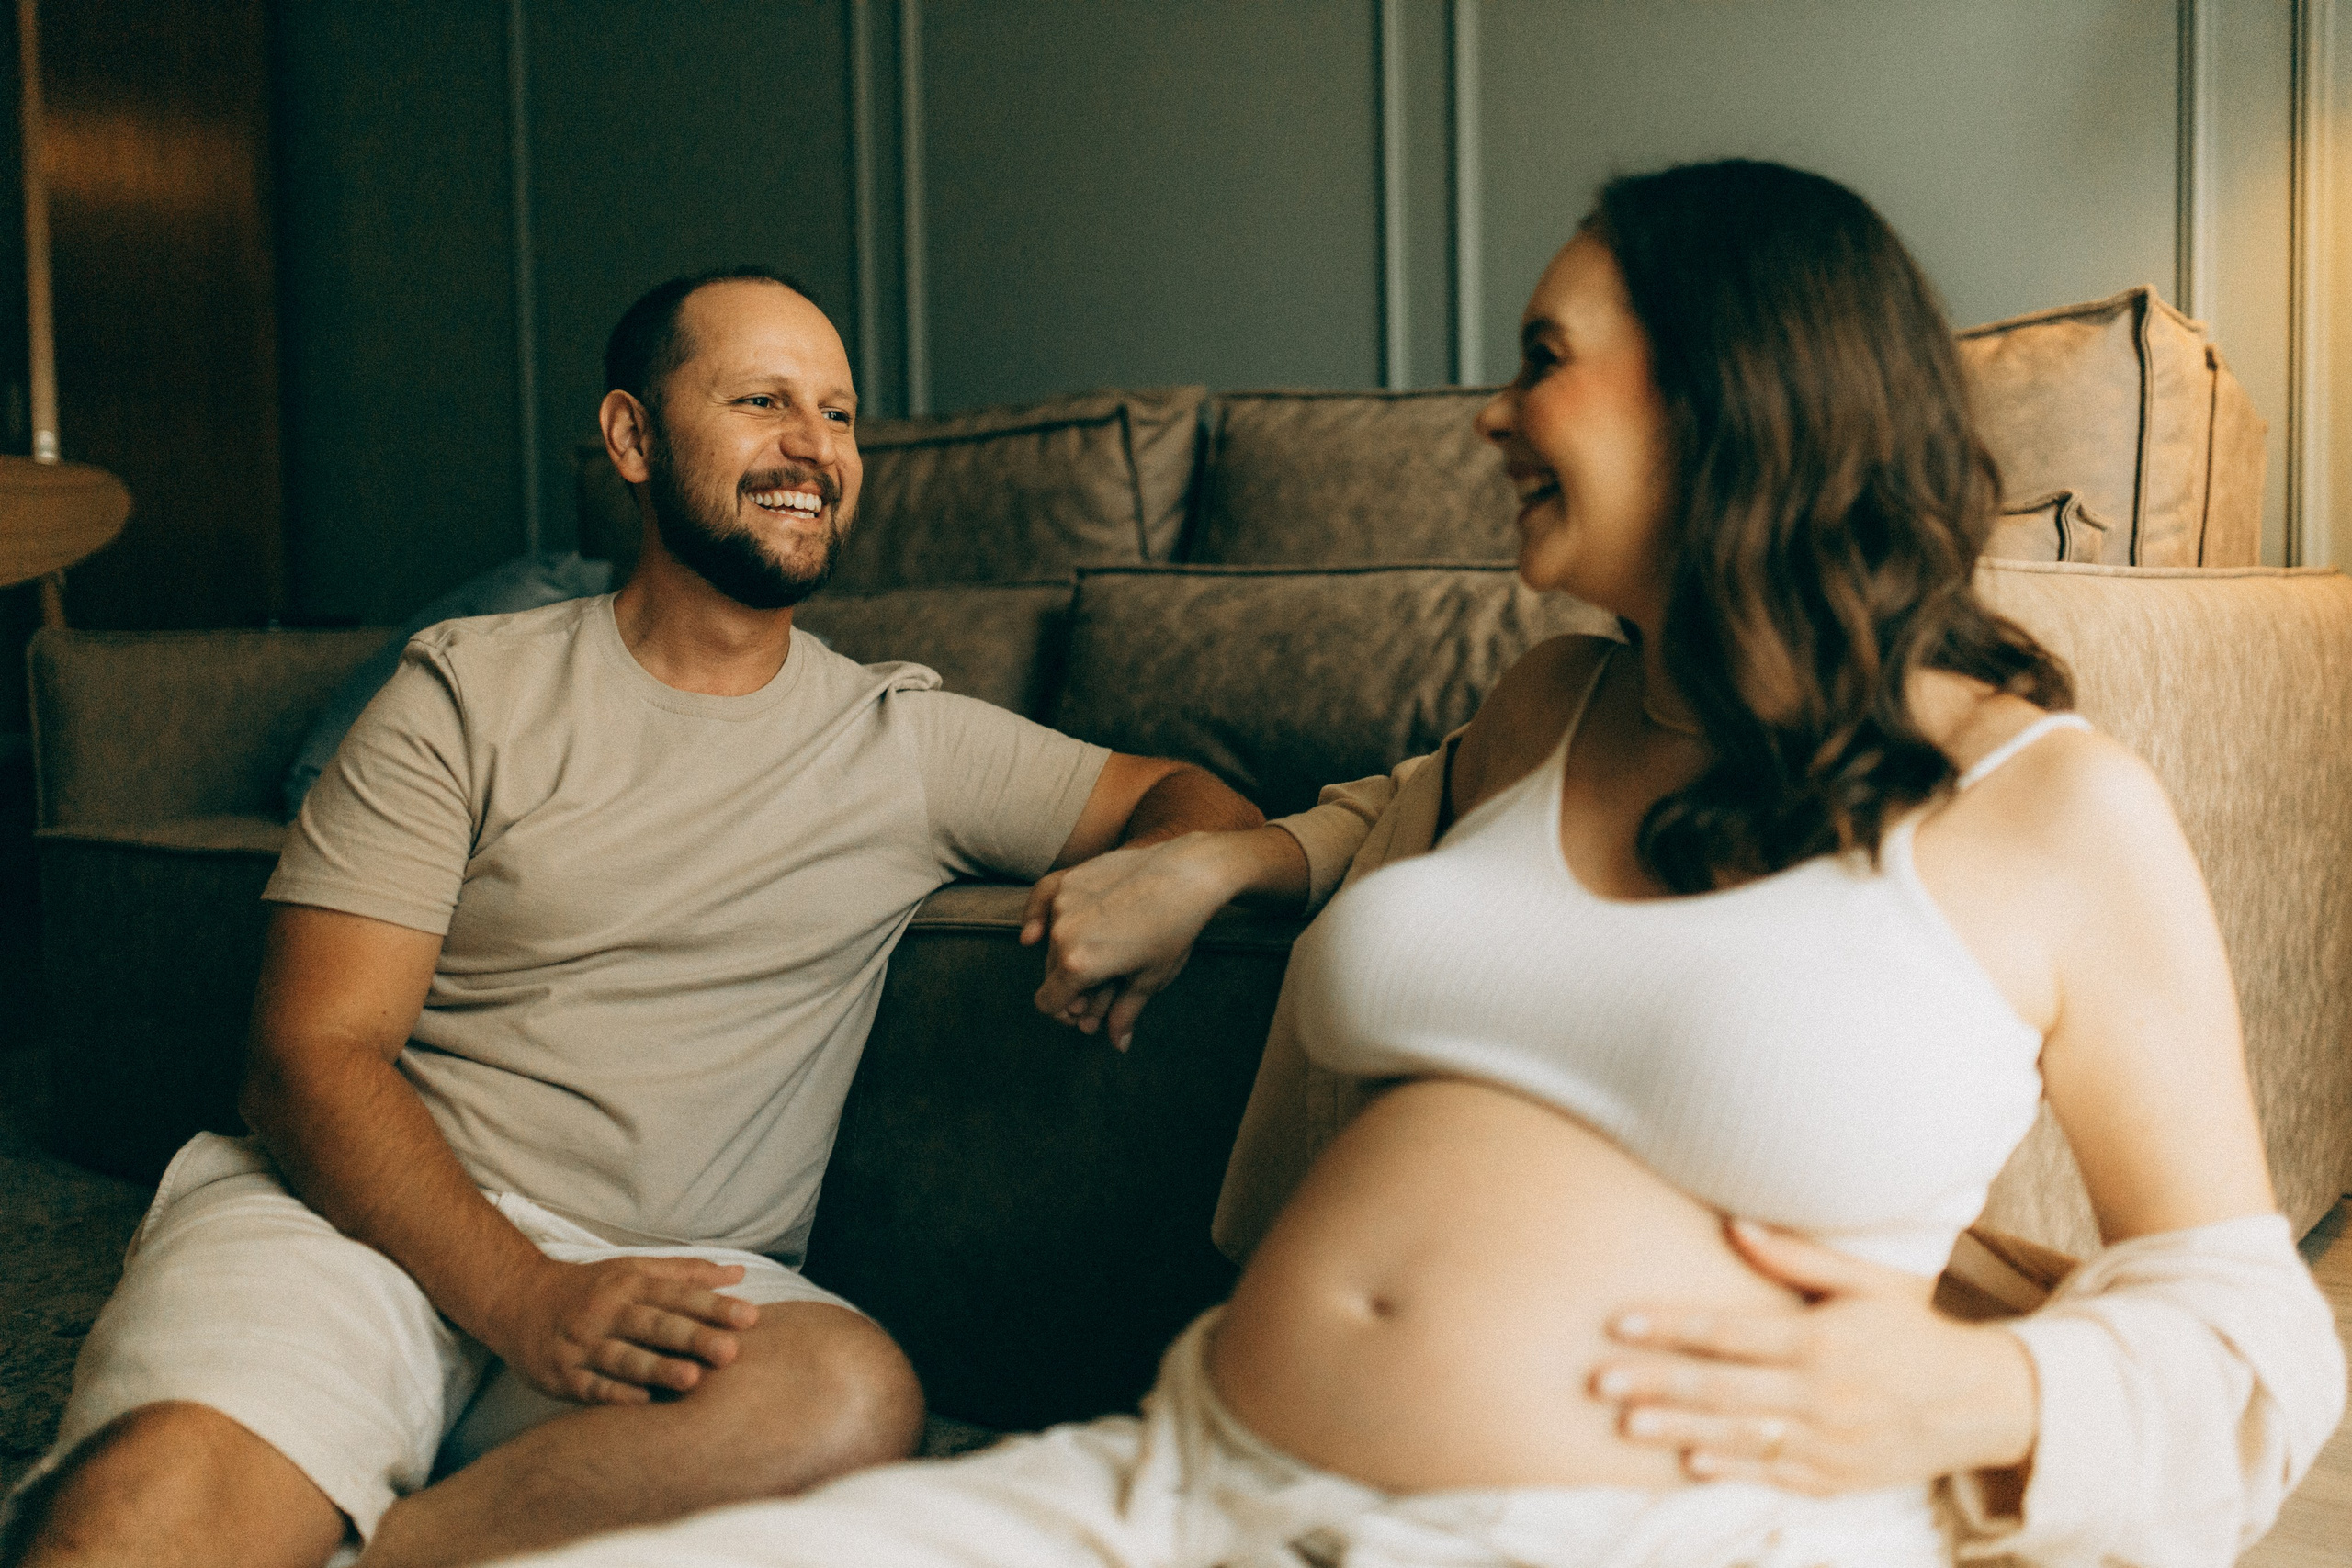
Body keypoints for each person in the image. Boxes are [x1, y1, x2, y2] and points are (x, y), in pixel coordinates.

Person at [492, 163, 2343, 1568]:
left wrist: (1986, 1386)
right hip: (1184, 1481)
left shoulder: (2045, 807)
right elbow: (1402, 813)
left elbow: (2251, 1320)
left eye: (1541, 360)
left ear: (1725, 392)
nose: (1484, 414)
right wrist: (1222, 867)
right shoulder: (1549, 704)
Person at [0, 267, 1263, 1568]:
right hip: (355, 1228)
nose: (814, 448)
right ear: (632, 439)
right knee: (149, 1515)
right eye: (763, 400)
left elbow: (1195, 798)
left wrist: (1158, 878)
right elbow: (306, 1056)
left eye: (838, 414)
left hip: (666, 1285)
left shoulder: (906, 739)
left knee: (846, 1396)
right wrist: (524, 1296)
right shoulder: (466, 695)